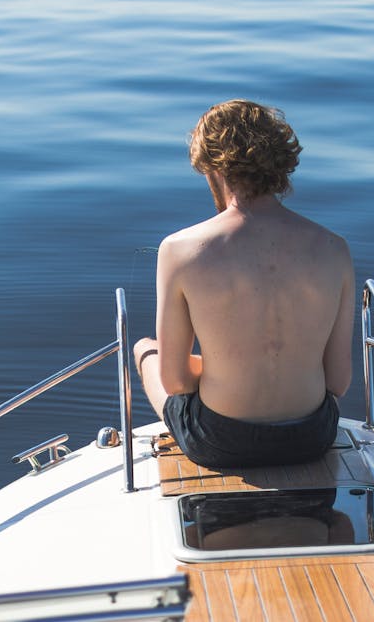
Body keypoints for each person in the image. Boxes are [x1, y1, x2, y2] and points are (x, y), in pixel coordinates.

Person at [133, 100, 355, 468]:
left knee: (145, 350)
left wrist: (230, 368)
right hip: (312, 436)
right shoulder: (334, 248)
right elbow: (338, 381)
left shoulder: (179, 249)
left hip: (220, 441)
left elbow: (175, 382)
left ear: (214, 169)